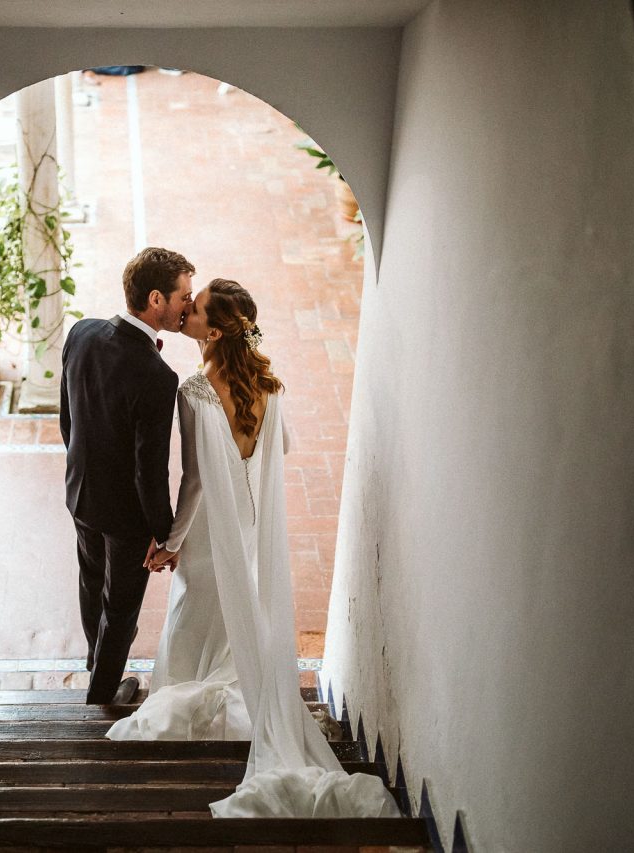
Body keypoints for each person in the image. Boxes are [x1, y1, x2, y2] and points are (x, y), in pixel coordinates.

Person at [106, 279, 398, 818]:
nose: (184, 313)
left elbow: (193, 482)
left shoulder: (194, 389)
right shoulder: (267, 384)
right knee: (233, 617)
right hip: (249, 521)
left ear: (212, 330)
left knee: (194, 618)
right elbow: (279, 445)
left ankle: (183, 710)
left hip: (211, 528)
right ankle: (228, 706)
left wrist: (170, 541)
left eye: (192, 310)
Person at [60, 247, 194, 705]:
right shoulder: (159, 377)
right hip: (126, 518)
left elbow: (68, 418)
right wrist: (163, 532)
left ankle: (97, 662)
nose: (188, 307)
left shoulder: (82, 333)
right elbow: (149, 470)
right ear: (156, 299)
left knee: (90, 580)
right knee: (120, 607)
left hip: (80, 493)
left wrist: (81, 469)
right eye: (184, 297)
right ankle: (101, 697)